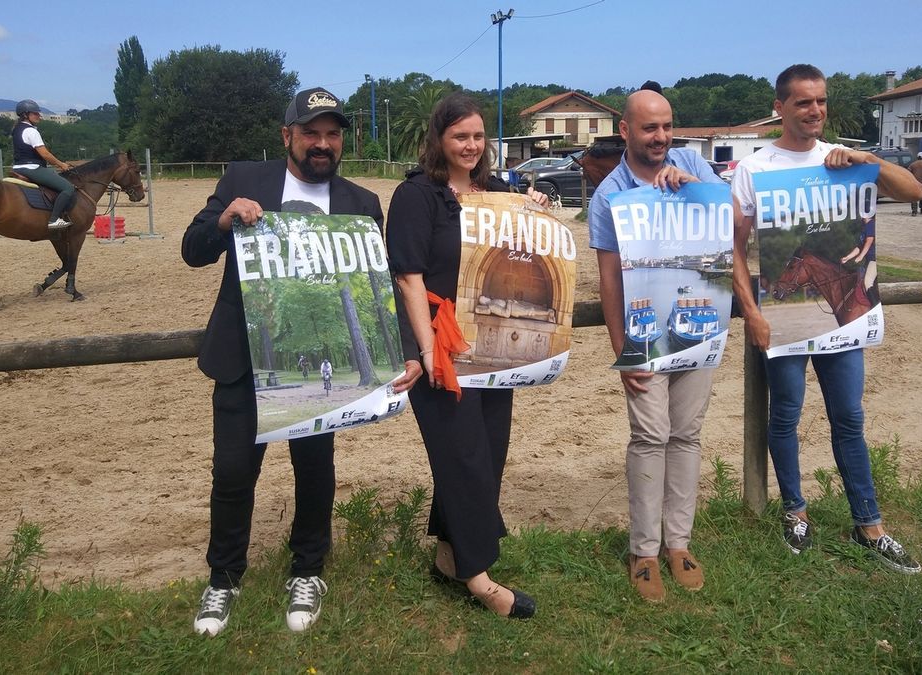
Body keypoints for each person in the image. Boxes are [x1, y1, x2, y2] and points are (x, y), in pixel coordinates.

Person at [182, 86, 409, 636]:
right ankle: (224, 577)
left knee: (315, 472)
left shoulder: (361, 203)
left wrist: (399, 351)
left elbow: (380, 286)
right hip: (243, 358)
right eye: (311, 133)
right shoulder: (243, 179)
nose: (323, 144)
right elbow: (192, 250)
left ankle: (308, 570)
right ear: (288, 136)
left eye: (333, 134)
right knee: (233, 473)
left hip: (318, 372)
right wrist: (223, 220)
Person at [730, 64, 922, 574]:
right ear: (780, 108)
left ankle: (871, 524)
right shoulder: (756, 168)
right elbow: (732, 246)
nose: (814, 110)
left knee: (850, 419)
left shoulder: (845, 160)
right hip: (784, 316)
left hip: (844, 321)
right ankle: (795, 512)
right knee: (786, 416)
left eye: (820, 101)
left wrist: (868, 160)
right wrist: (751, 312)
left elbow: (915, 193)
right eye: (803, 102)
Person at [386, 92, 548, 619]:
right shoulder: (417, 197)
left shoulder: (496, 192)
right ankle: (479, 579)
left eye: (478, 136)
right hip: (444, 344)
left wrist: (536, 213)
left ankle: (449, 555)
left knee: (488, 453)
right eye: (460, 137)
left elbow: (523, 250)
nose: (472, 145)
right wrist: (429, 351)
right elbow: (408, 276)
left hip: (494, 346)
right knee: (464, 458)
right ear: (439, 140)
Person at [588, 88, 724, 602]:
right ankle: (644, 551)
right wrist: (623, 351)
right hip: (646, 336)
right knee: (650, 436)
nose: (661, 137)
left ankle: (679, 543)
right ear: (626, 131)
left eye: (666, 126)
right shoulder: (609, 196)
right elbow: (607, 282)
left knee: (687, 434)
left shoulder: (692, 161)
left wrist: (695, 187)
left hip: (700, 324)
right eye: (650, 128)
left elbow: (733, 222)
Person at [11, 99, 76, 231]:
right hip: (32, 168)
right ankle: (53, 220)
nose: (39, 116)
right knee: (68, 188)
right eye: (35, 113)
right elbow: (45, 154)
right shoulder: (31, 131)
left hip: (18, 167)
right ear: (25, 115)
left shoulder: (17, 129)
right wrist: (61, 164)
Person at [908, 151, 922, 216]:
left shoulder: (912, 164)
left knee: (914, 197)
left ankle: (914, 211)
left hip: (914, 183)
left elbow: (908, 172)